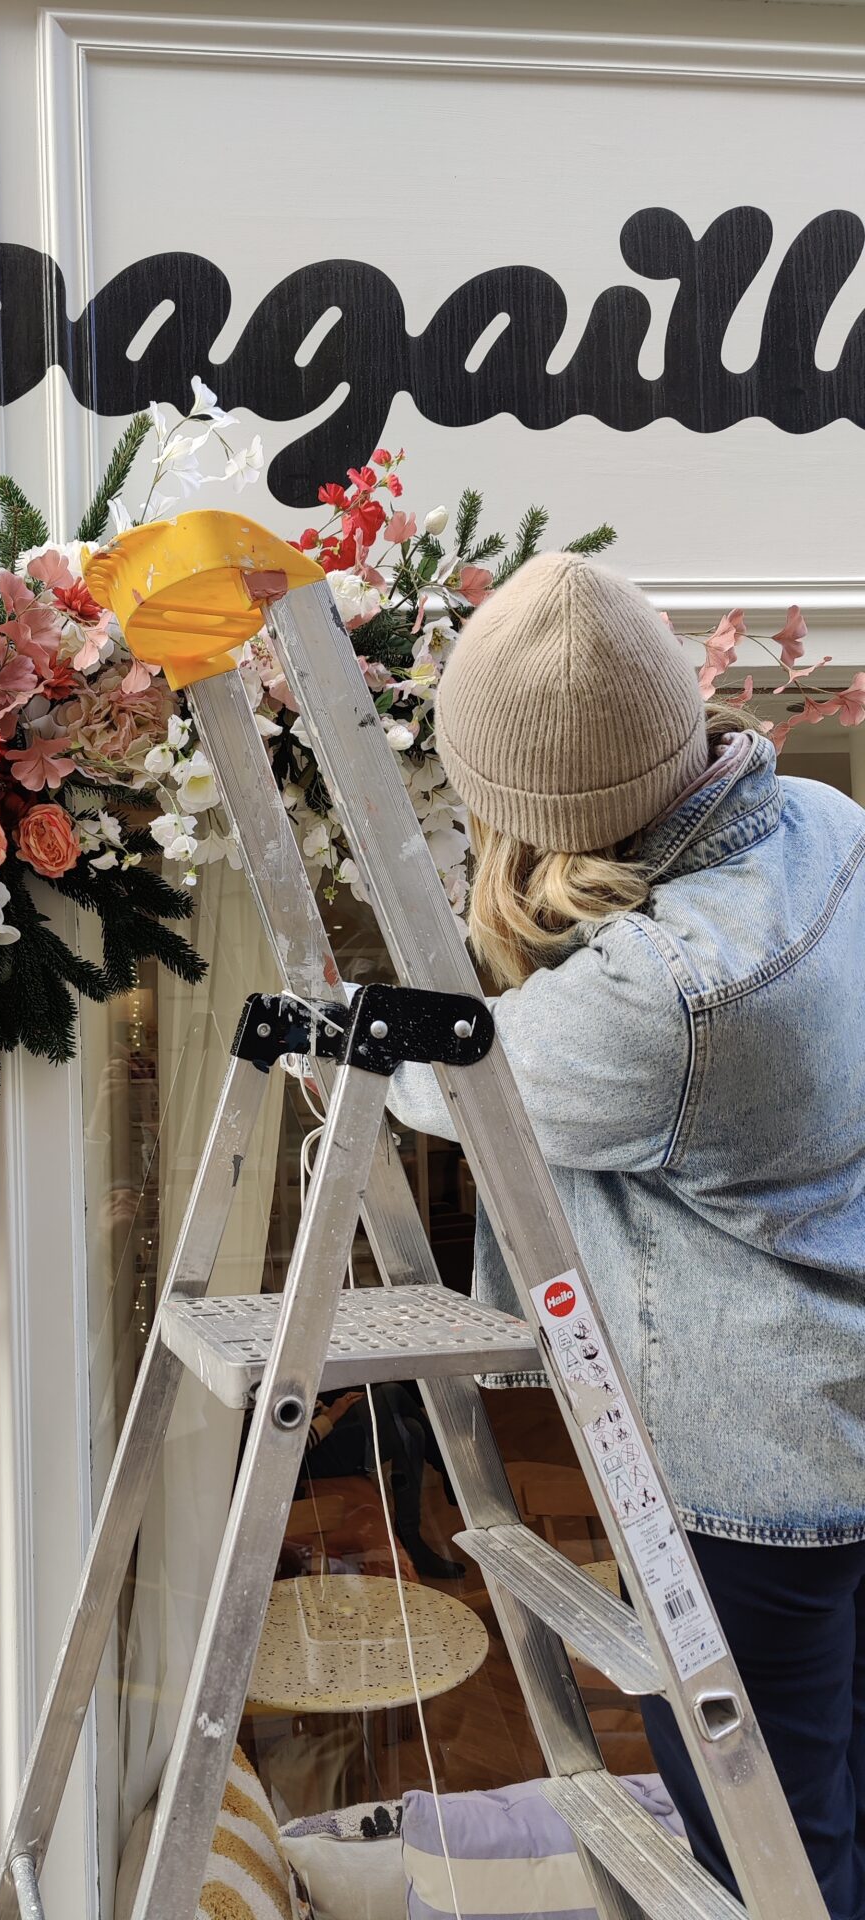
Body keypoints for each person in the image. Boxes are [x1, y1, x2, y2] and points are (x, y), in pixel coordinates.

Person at [383, 552, 865, 1918]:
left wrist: (351, 1023)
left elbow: (451, 1085)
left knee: (769, 1867)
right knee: (835, 1812)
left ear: (525, 810)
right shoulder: (827, 826)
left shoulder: (666, 994)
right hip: (839, 1416)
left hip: (757, 1482)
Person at [304, 1382, 465, 1580]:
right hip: (306, 1462)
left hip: (323, 1432)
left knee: (411, 1430)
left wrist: (333, 1410)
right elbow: (283, 1447)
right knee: (392, 1393)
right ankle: (448, 1474)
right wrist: (332, 1415)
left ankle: (412, 1537)